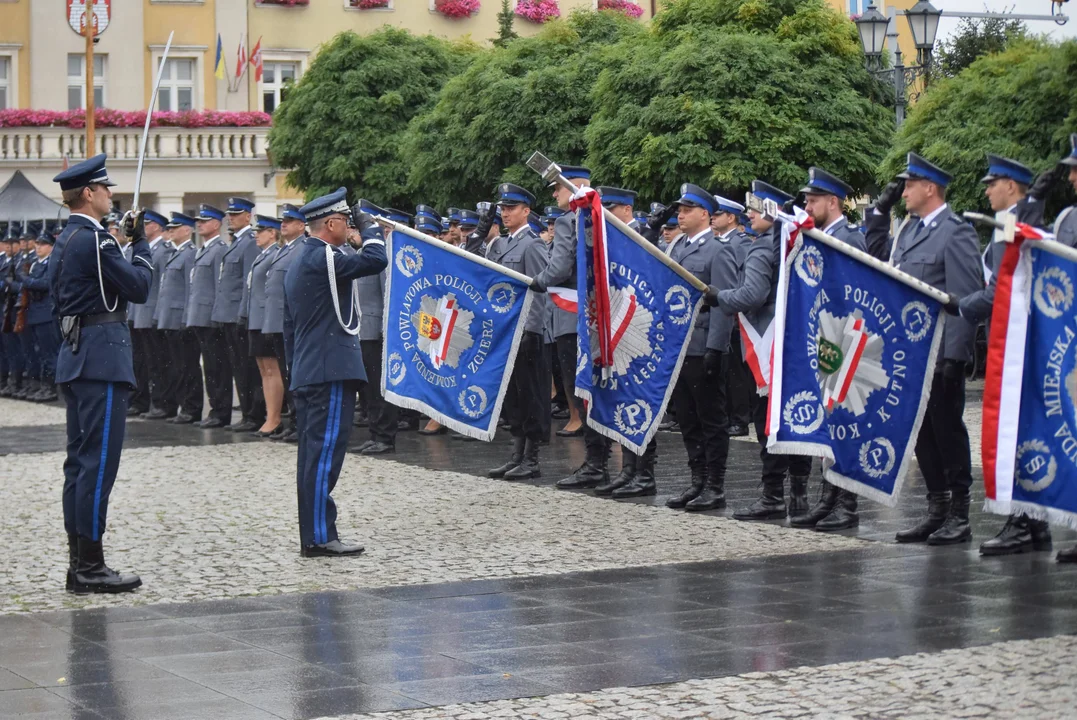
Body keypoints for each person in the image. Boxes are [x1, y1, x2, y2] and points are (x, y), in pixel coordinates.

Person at [866, 153, 983, 545]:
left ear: (929, 188)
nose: (904, 191)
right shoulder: (909, 231)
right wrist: (879, 214)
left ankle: (960, 513)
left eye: (909, 185)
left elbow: (963, 299)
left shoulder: (956, 232)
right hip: (910, 354)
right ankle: (936, 508)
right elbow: (880, 261)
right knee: (921, 433)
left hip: (939, 353)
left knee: (948, 430)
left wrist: (956, 356)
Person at [50, 154, 152, 594]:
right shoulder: (94, 241)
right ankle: (90, 566)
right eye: (106, 189)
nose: (111, 195)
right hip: (101, 359)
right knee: (97, 465)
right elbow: (139, 288)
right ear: (88, 193)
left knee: (79, 464)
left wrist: (122, 243)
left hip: (78, 357)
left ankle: (80, 562)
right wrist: (140, 242)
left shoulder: (66, 238)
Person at [283, 188, 387, 557]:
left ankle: (317, 532)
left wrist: (295, 371)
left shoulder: (301, 257)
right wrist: (369, 225)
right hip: (328, 370)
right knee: (323, 456)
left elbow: (289, 327)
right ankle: (319, 536)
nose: (349, 227)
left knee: (316, 456)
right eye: (344, 221)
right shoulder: (321, 256)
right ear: (330, 223)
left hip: (313, 368)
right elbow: (376, 259)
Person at [959, 154, 1050, 555]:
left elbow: (1003, 289)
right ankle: (1034, 525)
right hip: (1017, 340)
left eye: (991, 183)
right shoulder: (1011, 224)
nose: (986, 190)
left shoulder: (1014, 225)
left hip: (1021, 344)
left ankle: (1023, 523)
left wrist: (961, 305)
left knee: (1016, 430)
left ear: (1010, 186)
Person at [714, 181, 812, 521]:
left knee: (767, 423)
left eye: (757, 207)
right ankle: (799, 494)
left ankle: (773, 496)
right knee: (796, 420)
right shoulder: (798, 242)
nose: (750, 213)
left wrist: (719, 297)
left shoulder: (762, 247)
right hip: (796, 346)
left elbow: (751, 295)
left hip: (768, 346)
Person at [789, 168, 867, 531]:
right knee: (828, 423)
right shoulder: (814, 237)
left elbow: (857, 290)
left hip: (845, 342)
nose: (806, 205)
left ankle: (847, 504)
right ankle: (829, 497)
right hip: (823, 338)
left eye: (812, 200)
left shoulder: (849, 237)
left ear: (832, 202)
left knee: (844, 423)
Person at [662, 184, 737, 510]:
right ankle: (697, 480)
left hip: (703, 344)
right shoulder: (679, 248)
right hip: (680, 346)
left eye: (687, 209)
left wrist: (716, 348)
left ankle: (715, 485)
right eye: (679, 209)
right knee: (688, 419)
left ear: (705, 214)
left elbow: (724, 300)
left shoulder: (718, 250)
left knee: (711, 419)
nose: (680, 214)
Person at [486, 183, 549, 481]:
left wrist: (531, 330)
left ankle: (531, 458)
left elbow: (538, 291)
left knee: (530, 394)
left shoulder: (532, 244)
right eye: (503, 208)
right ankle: (516, 454)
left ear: (526, 211)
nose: (505, 213)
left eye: (511, 208)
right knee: (513, 396)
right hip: (506, 330)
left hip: (527, 331)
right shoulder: (501, 244)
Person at [214, 197, 265, 433]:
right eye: (229, 215)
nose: (230, 218)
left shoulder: (249, 243)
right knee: (237, 367)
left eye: (235, 215)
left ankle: (254, 414)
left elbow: (249, 282)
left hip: (239, 315)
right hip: (228, 315)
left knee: (247, 368)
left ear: (248, 216)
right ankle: (247, 413)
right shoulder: (237, 242)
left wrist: (243, 314)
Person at [352, 200, 399, 455]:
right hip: (363, 329)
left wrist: (386, 330)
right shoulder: (365, 253)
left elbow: (386, 295)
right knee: (368, 388)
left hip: (377, 330)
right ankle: (374, 432)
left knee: (379, 387)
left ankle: (385, 436)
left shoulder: (385, 254)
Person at [263, 204, 306, 442]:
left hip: (290, 321)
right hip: (279, 321)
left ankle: (300, 423)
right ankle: (293, 420)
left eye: (290, 220)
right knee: (285, 373)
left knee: (294, 373)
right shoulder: (284, 249)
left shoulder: (301, 249)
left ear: (302, 225)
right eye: (283, 220)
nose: (284, 224)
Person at [711, 197, 754, 439]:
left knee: (737, 371)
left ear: (731, 218)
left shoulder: (741, 243)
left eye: (719, 214)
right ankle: (730, 416)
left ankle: (740, 419)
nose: (713, 217)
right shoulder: (719, 242)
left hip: (735, 314)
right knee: (727, 370)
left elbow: (743, 280)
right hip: (722, 309)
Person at [187, 205, 232, 428]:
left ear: (216, 224)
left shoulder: (219, 249)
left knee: (217, 366)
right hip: (200, 316)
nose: (199, 224)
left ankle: (220, 412)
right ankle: (215, 409)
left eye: (204, 221)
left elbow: (219, 286)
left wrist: (216, 316)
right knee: (210, 367)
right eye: (199, 221)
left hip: (211, 318)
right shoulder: (203, 249)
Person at [157, 213, 203, 425]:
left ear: (187, 230)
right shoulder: (175, 253)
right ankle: (180, 405)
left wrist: (186, 318)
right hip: (170, 317)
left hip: (181, 318)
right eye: (170, 228)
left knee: (187, 365)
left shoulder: (189, 254)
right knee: (176, 365)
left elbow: (189, 289)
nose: (171, 230)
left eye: (176, 227)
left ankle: (190, 407)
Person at [128, 210, 172, 419]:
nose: (143, 226)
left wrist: (159, 313)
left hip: (152, 312)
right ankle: (141, 400)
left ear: (156, 226)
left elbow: (164, 285)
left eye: (147, 223)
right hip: (137, 312)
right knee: (140, 361)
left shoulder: (163, 251)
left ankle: (161, 402)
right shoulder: (139, 250)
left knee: (157, 362)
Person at [243, 214, 284, 437]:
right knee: (264, 370)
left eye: (261, 231)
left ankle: (274, 417)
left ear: (272, 233)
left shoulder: (275, 255)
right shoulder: (263, 255)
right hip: (257, 319)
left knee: (272, 369)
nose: (256, 235)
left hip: (266, 319)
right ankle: (270, 416)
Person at [14, 223, 61, 402]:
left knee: (49, 353)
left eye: (42, 244)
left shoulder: (52, 263)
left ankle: (51, 387)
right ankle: (42, 385)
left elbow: (44, 284)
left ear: (50, 246)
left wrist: (25, 281)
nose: (38, 247)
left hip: (46, 313)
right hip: (35, 312)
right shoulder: (34, 264)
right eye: (38, 244)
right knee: (39, 352)